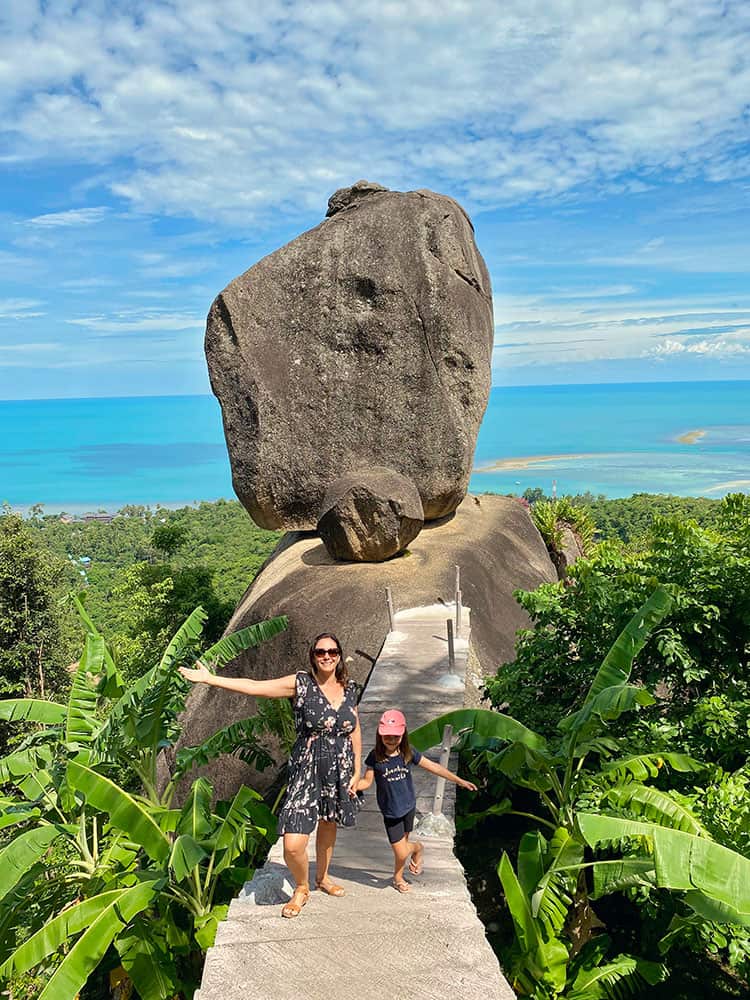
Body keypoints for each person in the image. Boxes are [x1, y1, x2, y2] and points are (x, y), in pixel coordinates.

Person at [178, 632, 361, 918]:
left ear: (339, 654)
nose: (327, 656)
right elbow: (254, 687)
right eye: (321, 652)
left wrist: (357, 768)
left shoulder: (349, 688)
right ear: (312, 656)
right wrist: (210, 679)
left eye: (333, 651)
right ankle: (302, 886)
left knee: (329, 822)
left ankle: (322, 877)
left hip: (340, 766)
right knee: (293, 844)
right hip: (307, 768)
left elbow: (355, 726)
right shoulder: (301, 683)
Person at [356, 709, 477, 892]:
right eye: (386, 736)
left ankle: (397, 877)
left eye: (395, 737)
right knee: (402, 850)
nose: (390, 740)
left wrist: (459, 781)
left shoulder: (408, 753)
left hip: (408, 807)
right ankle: (418, 848)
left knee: (402, 849)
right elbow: (366, 782)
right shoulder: (375, 757)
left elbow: (434, 767)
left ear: (403, 735)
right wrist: (351, 785)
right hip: (391, 811)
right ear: (379, 736)